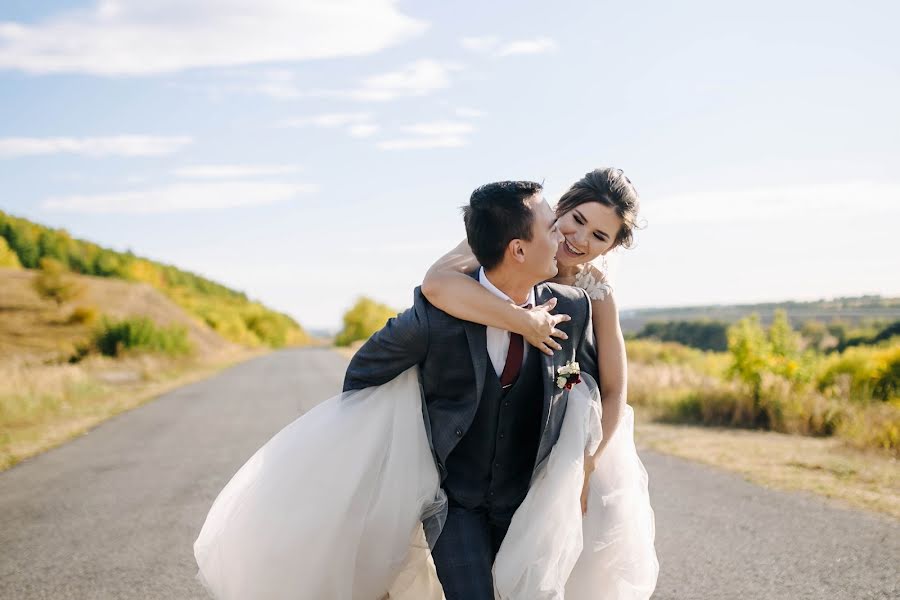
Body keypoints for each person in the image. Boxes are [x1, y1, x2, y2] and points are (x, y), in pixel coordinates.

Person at [193, 174, 656, 600]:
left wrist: (584, 466)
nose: (577, 239)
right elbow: (435, 286)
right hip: (462, 482)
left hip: (553, 454)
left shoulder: (586, 298)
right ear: (559, 211)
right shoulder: (497, 244)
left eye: (600, 236)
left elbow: (609, 385)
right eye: (574, 221)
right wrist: (519, 320)